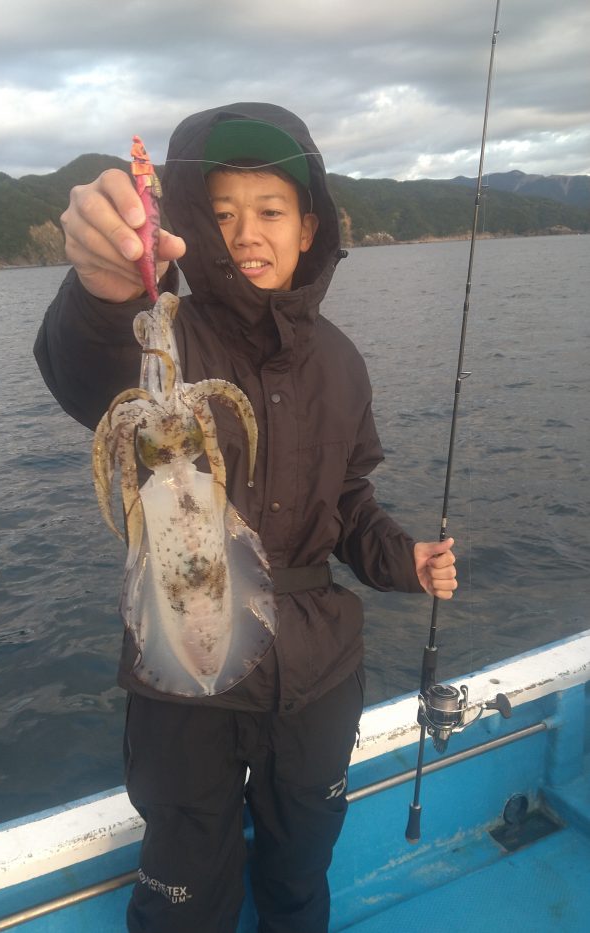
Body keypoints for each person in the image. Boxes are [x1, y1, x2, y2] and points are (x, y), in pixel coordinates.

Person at [34, 102, 457, 933]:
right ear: (193, 226)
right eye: (222, 214)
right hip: (184, 676)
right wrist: (105, 291)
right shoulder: (164, 337)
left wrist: (402, 559)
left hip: (317, 676)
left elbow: (350, 501)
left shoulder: (342, 361)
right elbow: (91, 370)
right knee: (184, 887)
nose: (247, 233)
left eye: (270, 211)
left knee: (300, 871)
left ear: (309, 227)